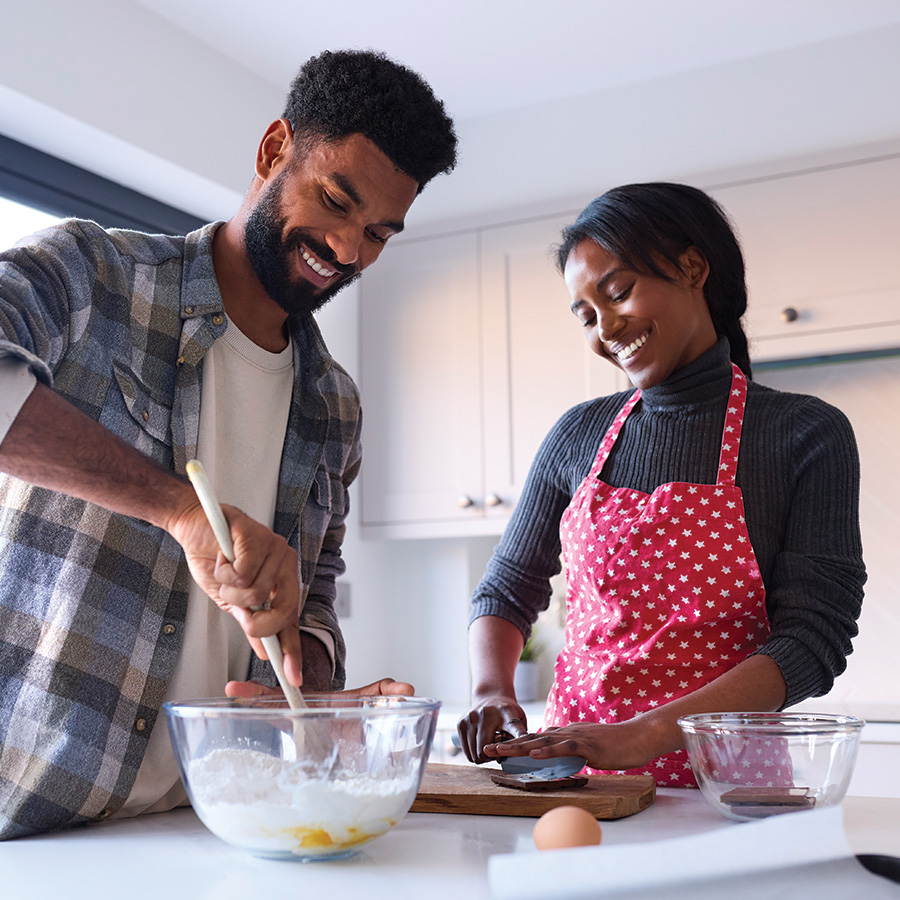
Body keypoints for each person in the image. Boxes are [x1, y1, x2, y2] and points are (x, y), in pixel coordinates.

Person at [0, 49, 457, 839]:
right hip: (28, 821)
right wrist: (180, 512)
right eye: (336, 202)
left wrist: (312, 680)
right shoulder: (95, 274)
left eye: (378, 232)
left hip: (203, 826)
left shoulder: (335, 404)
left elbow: (314, 594)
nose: (348, 251)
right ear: (274, 149)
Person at [457, 183, 865, 785]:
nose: (605, 329)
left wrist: (645, 735)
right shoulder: (578, 434)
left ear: (692, 268)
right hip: (576, 782)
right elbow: (507, 589)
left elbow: (814, 639)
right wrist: (493, 689)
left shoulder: (804, 434)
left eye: (618, 292)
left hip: (728, 791)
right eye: (586, 315)